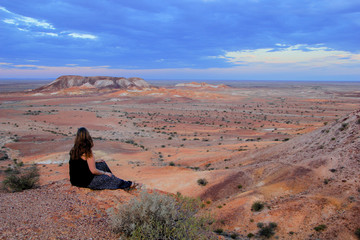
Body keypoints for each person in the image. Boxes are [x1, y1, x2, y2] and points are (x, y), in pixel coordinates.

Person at [69, 127, 138, 190]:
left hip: (75, 180)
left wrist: (94, 161)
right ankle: (127, 184)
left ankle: (113, 179)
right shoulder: (87, 151)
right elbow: (93, 171)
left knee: (102, 164)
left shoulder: (74, 149)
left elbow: (80, 164)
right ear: (87, 137)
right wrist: (104, 173)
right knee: (109, 177)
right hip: (86, 182)